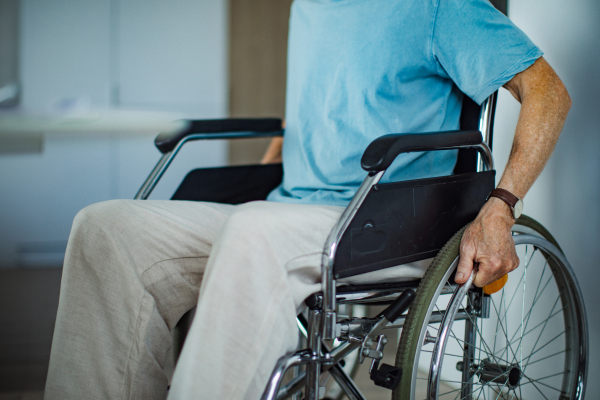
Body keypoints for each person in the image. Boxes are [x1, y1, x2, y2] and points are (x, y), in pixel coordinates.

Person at [44, 0, 571, 399]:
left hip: (384, 218)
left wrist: (501, 205)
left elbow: (549, 93)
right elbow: (308, 117)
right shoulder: (313, 6)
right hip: (289, 210)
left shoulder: (441, 7)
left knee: (253, 233)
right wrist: (258, 180)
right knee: (105, 227)